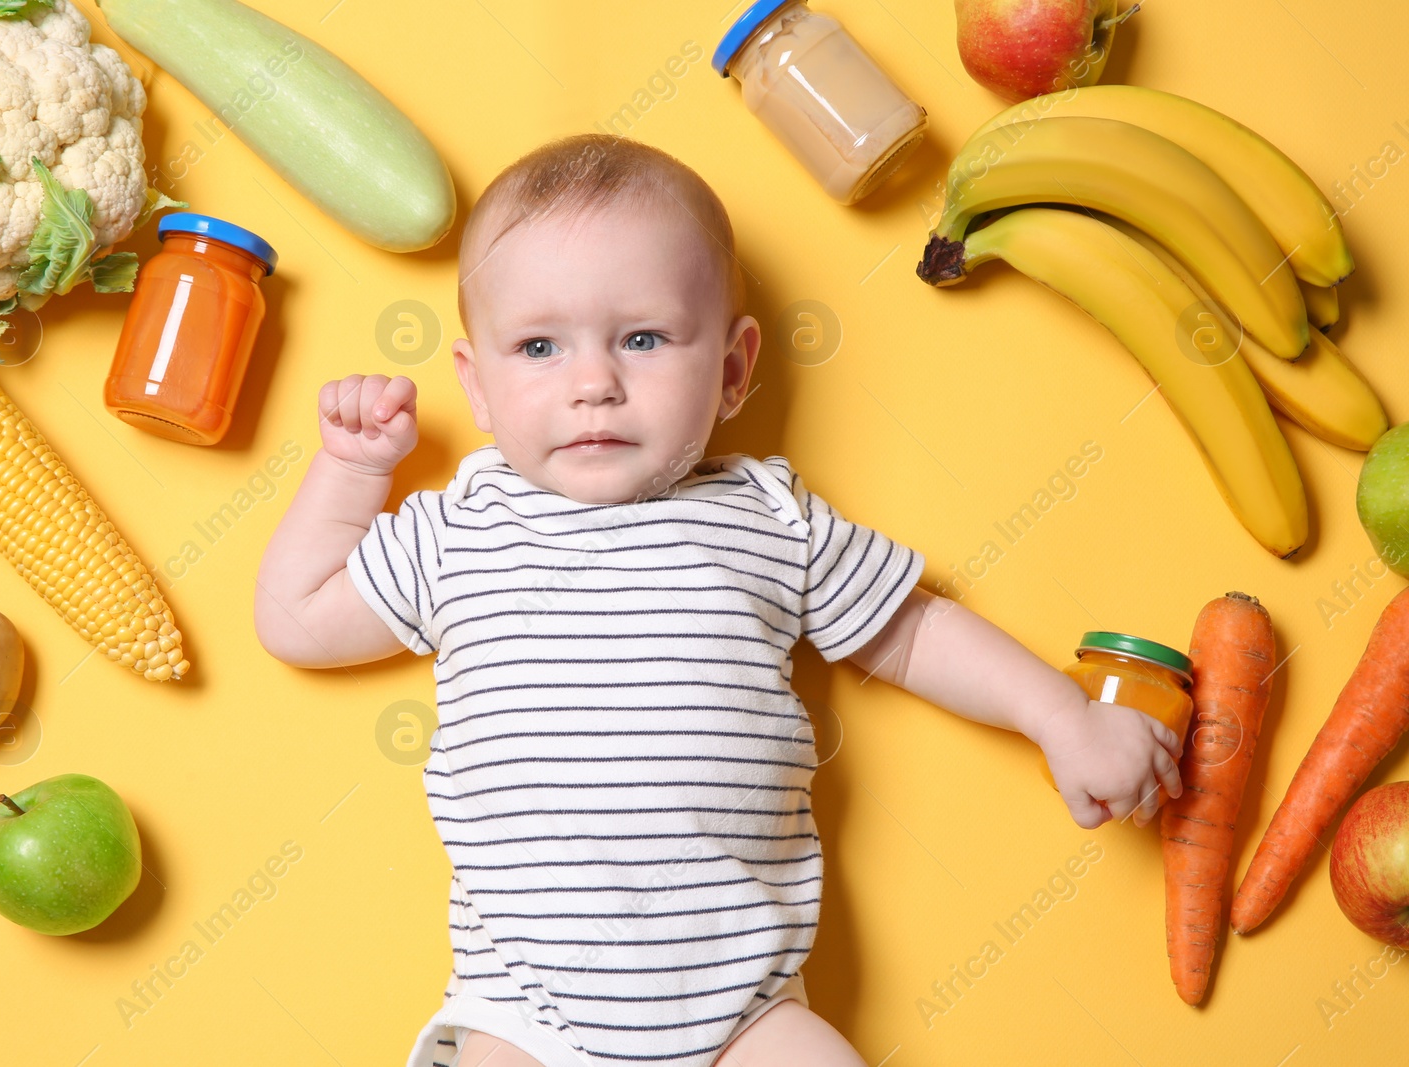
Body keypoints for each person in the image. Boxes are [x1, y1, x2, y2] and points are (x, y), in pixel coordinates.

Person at [254, 133, 1182, 1067]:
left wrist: (1062, 717)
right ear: (477, 387)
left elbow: (911, 632)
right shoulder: (459, 529)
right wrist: (352, 470)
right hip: (523, 1016)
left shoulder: (770, 519)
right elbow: (296, 618)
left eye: (644, 338)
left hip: (747, 1014)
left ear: (735, 371)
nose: (592, 384)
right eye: (538, 346)